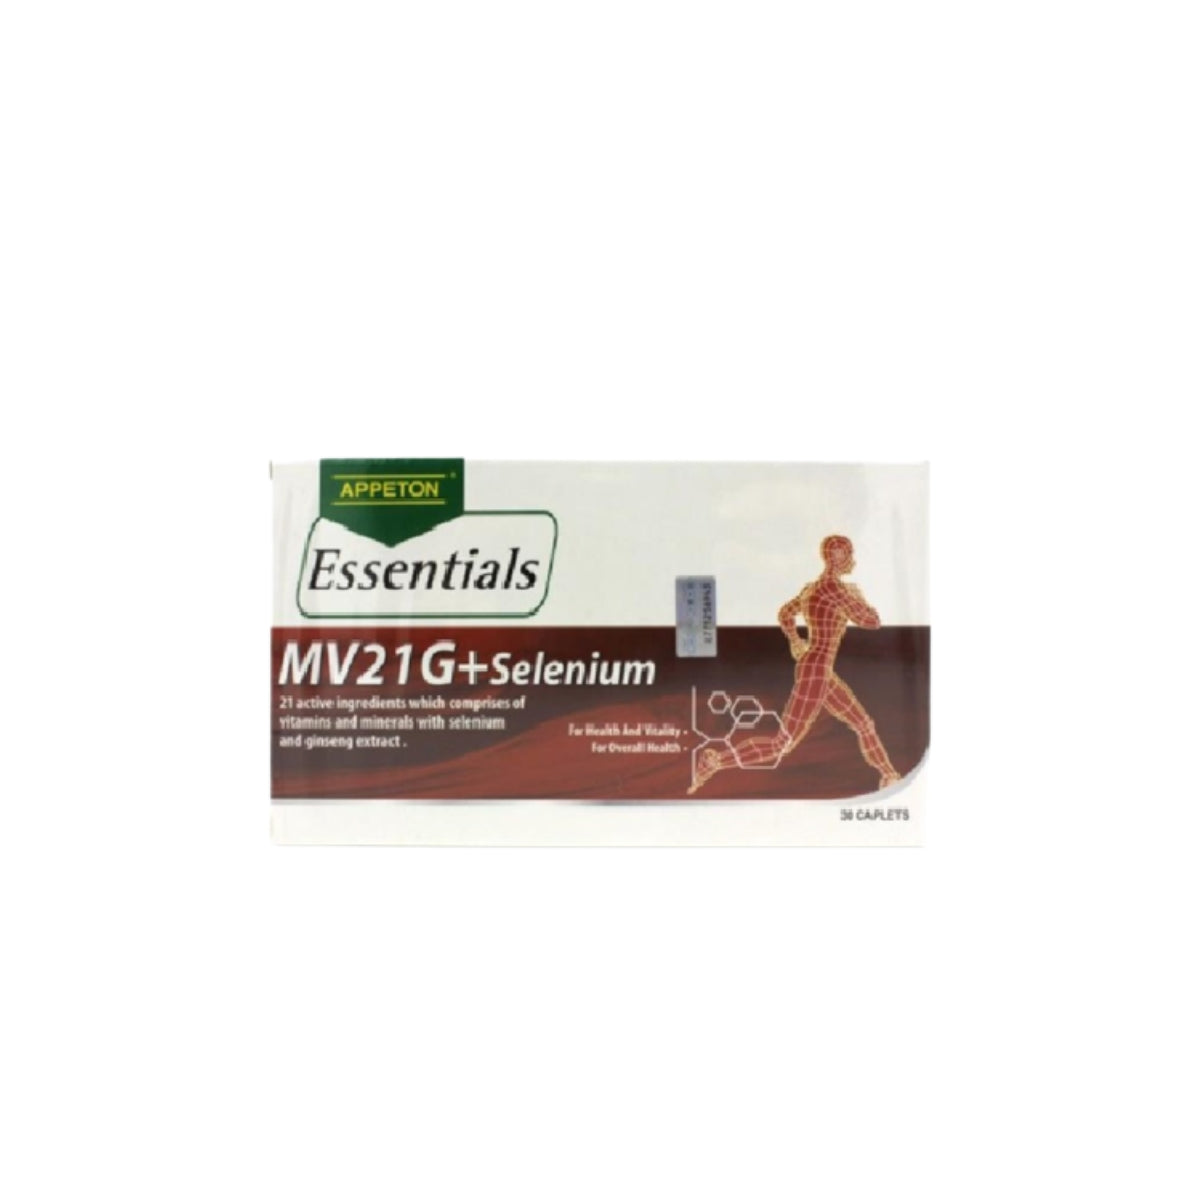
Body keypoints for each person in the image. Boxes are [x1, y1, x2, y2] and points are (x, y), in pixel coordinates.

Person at [688, 535, 900, 793]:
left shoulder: (812, 589)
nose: (853, 560)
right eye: (849, 554)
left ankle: (889, 775)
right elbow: (872, 621)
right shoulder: (836, 591)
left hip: (818, 669)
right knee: (782, 744)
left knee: (863, 724)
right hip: (816, 671)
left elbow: (785, 613)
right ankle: (716, 761)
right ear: (838, 557)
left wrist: (795, 641)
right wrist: (859, 597)